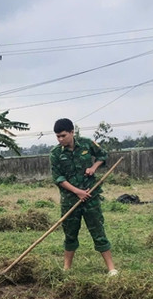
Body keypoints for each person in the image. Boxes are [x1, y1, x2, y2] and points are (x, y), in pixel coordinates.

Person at [50, 118, 118, 276]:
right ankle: (67, 268)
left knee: (98, 232)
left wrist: (94, 167)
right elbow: (58, 179)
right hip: (70, 201)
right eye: (57, 136)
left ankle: (111, 268)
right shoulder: (55, 154)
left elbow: (103, 155)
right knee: (70, 234)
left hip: (91, 198)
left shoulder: (87, 144)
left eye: (63, 135)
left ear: (72, 132)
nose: (60, 139)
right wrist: (77, 192)